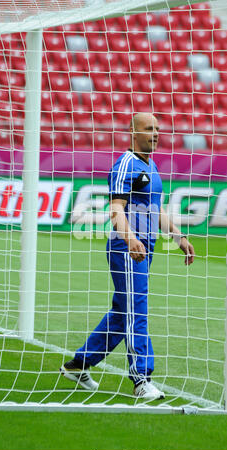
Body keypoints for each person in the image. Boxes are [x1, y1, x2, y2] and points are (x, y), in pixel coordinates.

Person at [60, 113, 195, 399]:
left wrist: (178, 237)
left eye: (158, 129)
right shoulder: (125, 165)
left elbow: (156, 210)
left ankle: (78, 365)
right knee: (136, 310)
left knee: (123, 314)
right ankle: (141, 379)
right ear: (132, 131)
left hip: (145, 247)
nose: (155, 133)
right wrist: (130, 238)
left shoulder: (152, 166)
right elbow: (115, 209)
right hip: (127, 248)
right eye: (149, 129)